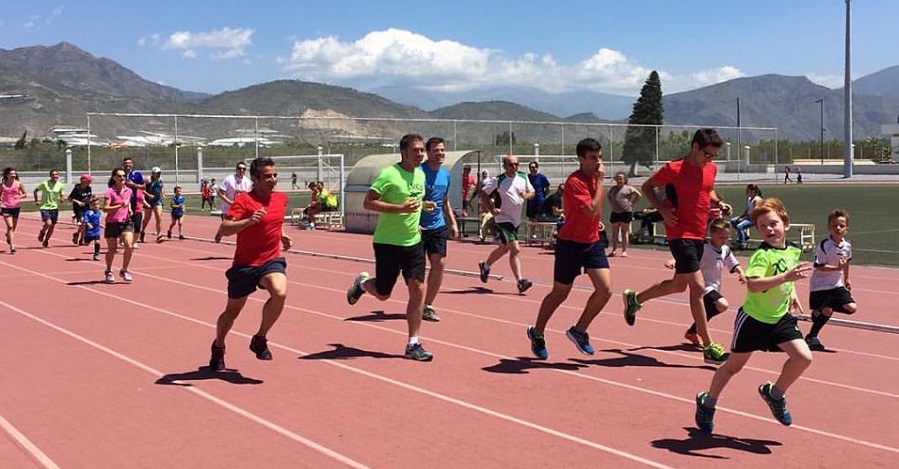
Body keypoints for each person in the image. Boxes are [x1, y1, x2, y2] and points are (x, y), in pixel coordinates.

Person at [695, 198, 812, 433]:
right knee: (732, 367)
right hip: (753, 320)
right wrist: (785, 279)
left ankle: (774, 394)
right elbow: (754, 285)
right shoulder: (761, 255)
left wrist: (792, 293)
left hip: (779, 318)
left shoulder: (792, 249)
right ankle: (707, 403)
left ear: (785, 224)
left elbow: (788, 274)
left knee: (803, 357)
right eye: (762, 227)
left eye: (773, 224)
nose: (768, 230)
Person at [621, 128, 730, 365]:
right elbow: (648, 186)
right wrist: (661, 209)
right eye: (707, 155)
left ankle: (635, 299)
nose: (710, 160)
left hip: (699, 232)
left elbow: (707, 189)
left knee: (680, 285)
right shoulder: (674, 169)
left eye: (713, 156)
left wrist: (720, 203)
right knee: (698, 287)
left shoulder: (711, 169)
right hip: (679, 232)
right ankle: (709, 346)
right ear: (694, 147)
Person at [345, 134, 434, 361]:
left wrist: (423, 205)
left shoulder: (421, 174)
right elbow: (368, 202)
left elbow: (411, 202)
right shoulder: (389, 175)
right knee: (384, 294)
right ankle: (363, 284)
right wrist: (399, 208)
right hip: (387, 243)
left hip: (413, 241)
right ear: (403, 152)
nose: (420, 154)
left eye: (422, 150)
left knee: (418, 289)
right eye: (415, 150)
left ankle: (413, 344)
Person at [527, 138, 611, 359]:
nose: (598, 162)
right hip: (570, 244)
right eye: (593, 158)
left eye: (599, 157)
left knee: (605, 290)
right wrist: (601, 181)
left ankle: (579, 330)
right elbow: (592, 210)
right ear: (581, 159)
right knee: (560, 294)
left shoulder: (595, 179)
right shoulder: (575, 182)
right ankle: (537, 332)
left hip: (592, 242)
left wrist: (597, 223)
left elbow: (595, 213)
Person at [209, 157, 292, 371]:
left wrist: (282, 235)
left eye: (274, 175)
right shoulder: (244, 201)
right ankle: (219, 346)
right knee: (232, 313)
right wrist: (248, 221)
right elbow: (225, 228)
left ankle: (260, 338)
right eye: (267, 176)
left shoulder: (281, 199)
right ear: (255, 179)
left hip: (270, 259)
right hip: (245, 264)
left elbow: (276, 222)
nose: (273, 179)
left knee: (280, 292)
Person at [665, 219, 746, 347]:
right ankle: (701, 334)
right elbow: (688, 256)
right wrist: (673, 261)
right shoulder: (703, 247)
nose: (724, 240)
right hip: (703, 286)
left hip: (716, 286)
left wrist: (741, 272)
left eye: (726, 237)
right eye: (721, 237)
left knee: (709, 311)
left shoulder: (725, 249)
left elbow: (734, 263)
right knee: (723, 305)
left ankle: (692, 332)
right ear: (712, 234)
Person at [478, 154, 536, 294]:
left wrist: (526, 195)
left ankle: (485, 266)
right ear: (504, 166)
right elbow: (483, 193)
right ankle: (520, 281)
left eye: (516, 164)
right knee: (515, 248)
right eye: (511, 164)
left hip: (516, 219)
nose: (514, 167)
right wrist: (492, 209)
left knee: (504, 248)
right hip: (503, 219)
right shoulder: (498, 180)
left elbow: (532, 192)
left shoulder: (523, 177)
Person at [419, 137, 459, 322]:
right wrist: (420, 206)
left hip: (437, 226)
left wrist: (452, 222)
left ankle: (427, 305)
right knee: (411, 271)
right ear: (428, 153)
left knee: (439, 264)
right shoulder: (419, 172)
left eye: (442, 150)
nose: (440, 153)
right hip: (417, 227)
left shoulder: (446, 174)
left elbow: (445, 201)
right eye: (436, 150)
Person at [805, 209, 856, 351]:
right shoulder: (824, 245)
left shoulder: (847, 246)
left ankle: (818, 312)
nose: (838, 228)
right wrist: (836, 268)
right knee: (827, 311)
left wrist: (846, 278)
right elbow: (819, 266)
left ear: (847, 229)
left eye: (841, 226)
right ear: (829, 228)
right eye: (834, 225)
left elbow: (846, 262)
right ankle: (812, 336)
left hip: (836, 285)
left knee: (851, 308)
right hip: (820, 286)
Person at [102, 168, 135, 284]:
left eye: (124, 176)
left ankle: (124, 270)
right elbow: (105, 208)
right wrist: (120, 205)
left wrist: (129, 209)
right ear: (114, 178)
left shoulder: (129, 191)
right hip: (112, 223)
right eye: (120, 176)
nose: (122, 178)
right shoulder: (109, 192)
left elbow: (128, 202)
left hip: (125, 222)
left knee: (129, 245)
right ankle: (108, 270)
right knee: (112, 249)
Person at [215, 163, 253, 243]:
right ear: (236, 169)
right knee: (226, 228)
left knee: (240, 229)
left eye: (244, 169)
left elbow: (249, 197)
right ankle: (220, 232)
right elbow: (220, 192)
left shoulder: (248, 182)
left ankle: (242, 247)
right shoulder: (229, 179)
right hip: (228, 209)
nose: (241, 170)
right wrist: (229, 202)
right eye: (239, 168)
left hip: (241, 210)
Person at [607, 172, 642, 257]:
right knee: (615, 232)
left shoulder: (629, 188)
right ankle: (614, 250)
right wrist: (612, 202)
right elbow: (608, 195)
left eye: (621, 179)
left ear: (624, 180)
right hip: (615, 212)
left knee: (624, 232)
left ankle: (624, 250)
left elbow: (639, 195)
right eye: (617, 179)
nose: (619, 180)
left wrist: (632, 203)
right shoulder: (613, 188)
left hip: (626, 212)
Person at [33, 169, 67, 248]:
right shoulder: (45, 184)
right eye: (53, 175)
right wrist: (36, 200)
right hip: (45, 207)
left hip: (54, 207)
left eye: (56, 175)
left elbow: (62, 194)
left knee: (52, 226)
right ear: (50, 176)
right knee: (48, 223)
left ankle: (46, 240)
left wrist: (62, 198)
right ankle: (42, 232)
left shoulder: (60, 185)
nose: (55, 176)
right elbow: (35, 191)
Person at [730, 184, 763, 249]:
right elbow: (747, 210)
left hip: (754, 219)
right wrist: (741, 217)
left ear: (753, 191)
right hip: (748, 217)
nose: (747, 192)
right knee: (733, 221)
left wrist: (743, 219)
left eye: (748, 191)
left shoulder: (757, 200)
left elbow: (754, 213)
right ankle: (744, 236)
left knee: (739, 226)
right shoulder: (749, 199)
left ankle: (742, 243)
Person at [2, 167, 26, 253]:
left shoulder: (19, 184)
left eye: (14, 174)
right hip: (5, 207)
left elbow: (25, 194)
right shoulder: (3, 184)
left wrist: (19, 196)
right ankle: (12, 246)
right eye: (11, 174)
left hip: (16, 207)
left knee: (13, 227)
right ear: (7, 175)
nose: (13, 175)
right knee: (10, 226)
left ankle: (8, 235)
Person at [140, 167, 165, 243]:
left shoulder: (160, 179)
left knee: (159, 217)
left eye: (159, 173)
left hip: (157, 200)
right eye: (156, 173)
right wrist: (148, 195)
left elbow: (162, 187)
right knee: (147, 218)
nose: (158, 174)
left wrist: (163, 193)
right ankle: (142, 231)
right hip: (149, 201)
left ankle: (159, 235)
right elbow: (141, 189)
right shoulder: (148, 180)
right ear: (153, 173)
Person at [68, 174, 93, 245]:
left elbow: (89, 197)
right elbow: (70, 198)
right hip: (78, 209)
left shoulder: (89, 188)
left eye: (90, 181)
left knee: (84, 224)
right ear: (83, 181)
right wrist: (78, 202)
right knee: (82, 222)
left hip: (87, 208)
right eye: (88, 181)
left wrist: (91, 200)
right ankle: (82, 238)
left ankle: (79, 236)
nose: (89, 182)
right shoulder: (77, 188)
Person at [82, 196, 103, 261]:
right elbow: (86, 220)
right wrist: (88, 224)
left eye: (97, 204)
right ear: (91, 205)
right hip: (89, 232)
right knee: (86, 244)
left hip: (97, 231)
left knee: (97, 242)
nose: (96, 206)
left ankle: (96, 254)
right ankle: (83, 238)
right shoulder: (89, 212)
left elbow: (98, 220)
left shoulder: (99, 213)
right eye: (94, 205)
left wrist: (100, 225)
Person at [477, 169, 493, 242]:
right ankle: (483, 234)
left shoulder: (489, 181)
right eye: (483, 173)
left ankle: (484, 233)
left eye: (485, 173)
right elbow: (478, 191)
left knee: (486, 218)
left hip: (488, 202)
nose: (484, 174)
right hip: (482, 201)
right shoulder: (480, 181)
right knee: (483, 217)